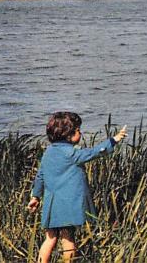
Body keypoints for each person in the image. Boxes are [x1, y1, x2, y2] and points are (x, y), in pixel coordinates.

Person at [27, 112, 127, 263]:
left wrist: (35, 197)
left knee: (50, 239)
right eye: (78, 130)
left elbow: (40, 176)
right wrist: (113, 140)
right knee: (68, 240)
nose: (80, 132)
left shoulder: (48, 152)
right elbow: (94, 153)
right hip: (67, 205)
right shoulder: (72, 153)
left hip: (51, 204)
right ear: (69, 135)